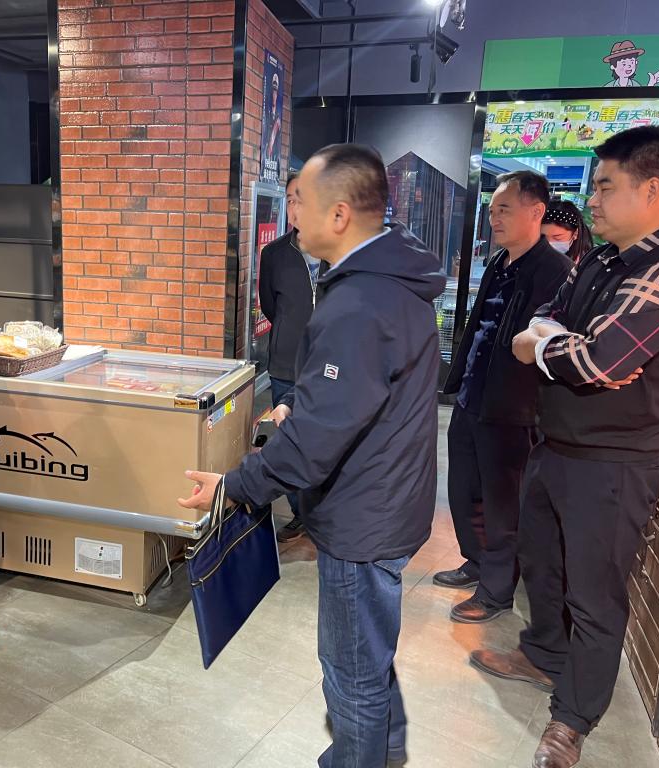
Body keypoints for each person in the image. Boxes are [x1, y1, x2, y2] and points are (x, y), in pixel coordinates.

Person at [179, 144, 444, 768]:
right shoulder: (390, 282)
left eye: (299, 200)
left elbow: (316, 442)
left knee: (351, 672)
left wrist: (235, 484)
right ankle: (383, 749)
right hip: (390, 497)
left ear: (340, 214)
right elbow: (361, 393)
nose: (291, 213)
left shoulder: (360, 302)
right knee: (368, 653)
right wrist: (304, 404)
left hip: (363, 515)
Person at [472, 126, 659, 768]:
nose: (591, 200)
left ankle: (573, 719)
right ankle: (544, 654)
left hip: (614, 464)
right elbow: (549, 324)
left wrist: (554, 348)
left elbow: (600, 360)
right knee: (542, 564)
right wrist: (558, 345)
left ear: (652, 190)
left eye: (605, 186)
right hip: (557, 445)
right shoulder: (604, 260)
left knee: (595, 594)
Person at [434, 172, 571, 623]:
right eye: (492, 210)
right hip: (472, 396)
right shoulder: (498, 261)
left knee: (502, 503)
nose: (494, 218)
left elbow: (547, 345)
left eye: (504, 209)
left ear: (536, 211)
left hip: (513, 408)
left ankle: (495, 592)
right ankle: (475, 562)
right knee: (464, 489)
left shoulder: (554, 272)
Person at [258, 171, 325, 542]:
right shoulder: (274, 254)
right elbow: (270, 306)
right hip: (286, 363)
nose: (295, 208)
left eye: (302, 199)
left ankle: (324, 513)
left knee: (323, 443)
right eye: (290, 200)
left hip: (328, 366)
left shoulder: (337, 254)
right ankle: (302, 514)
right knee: (288, 443)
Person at [541, 199, 593, 264]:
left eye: (557, 237)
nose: (548, 244)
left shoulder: (585, 264)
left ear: (575, 233)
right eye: (542, 237)